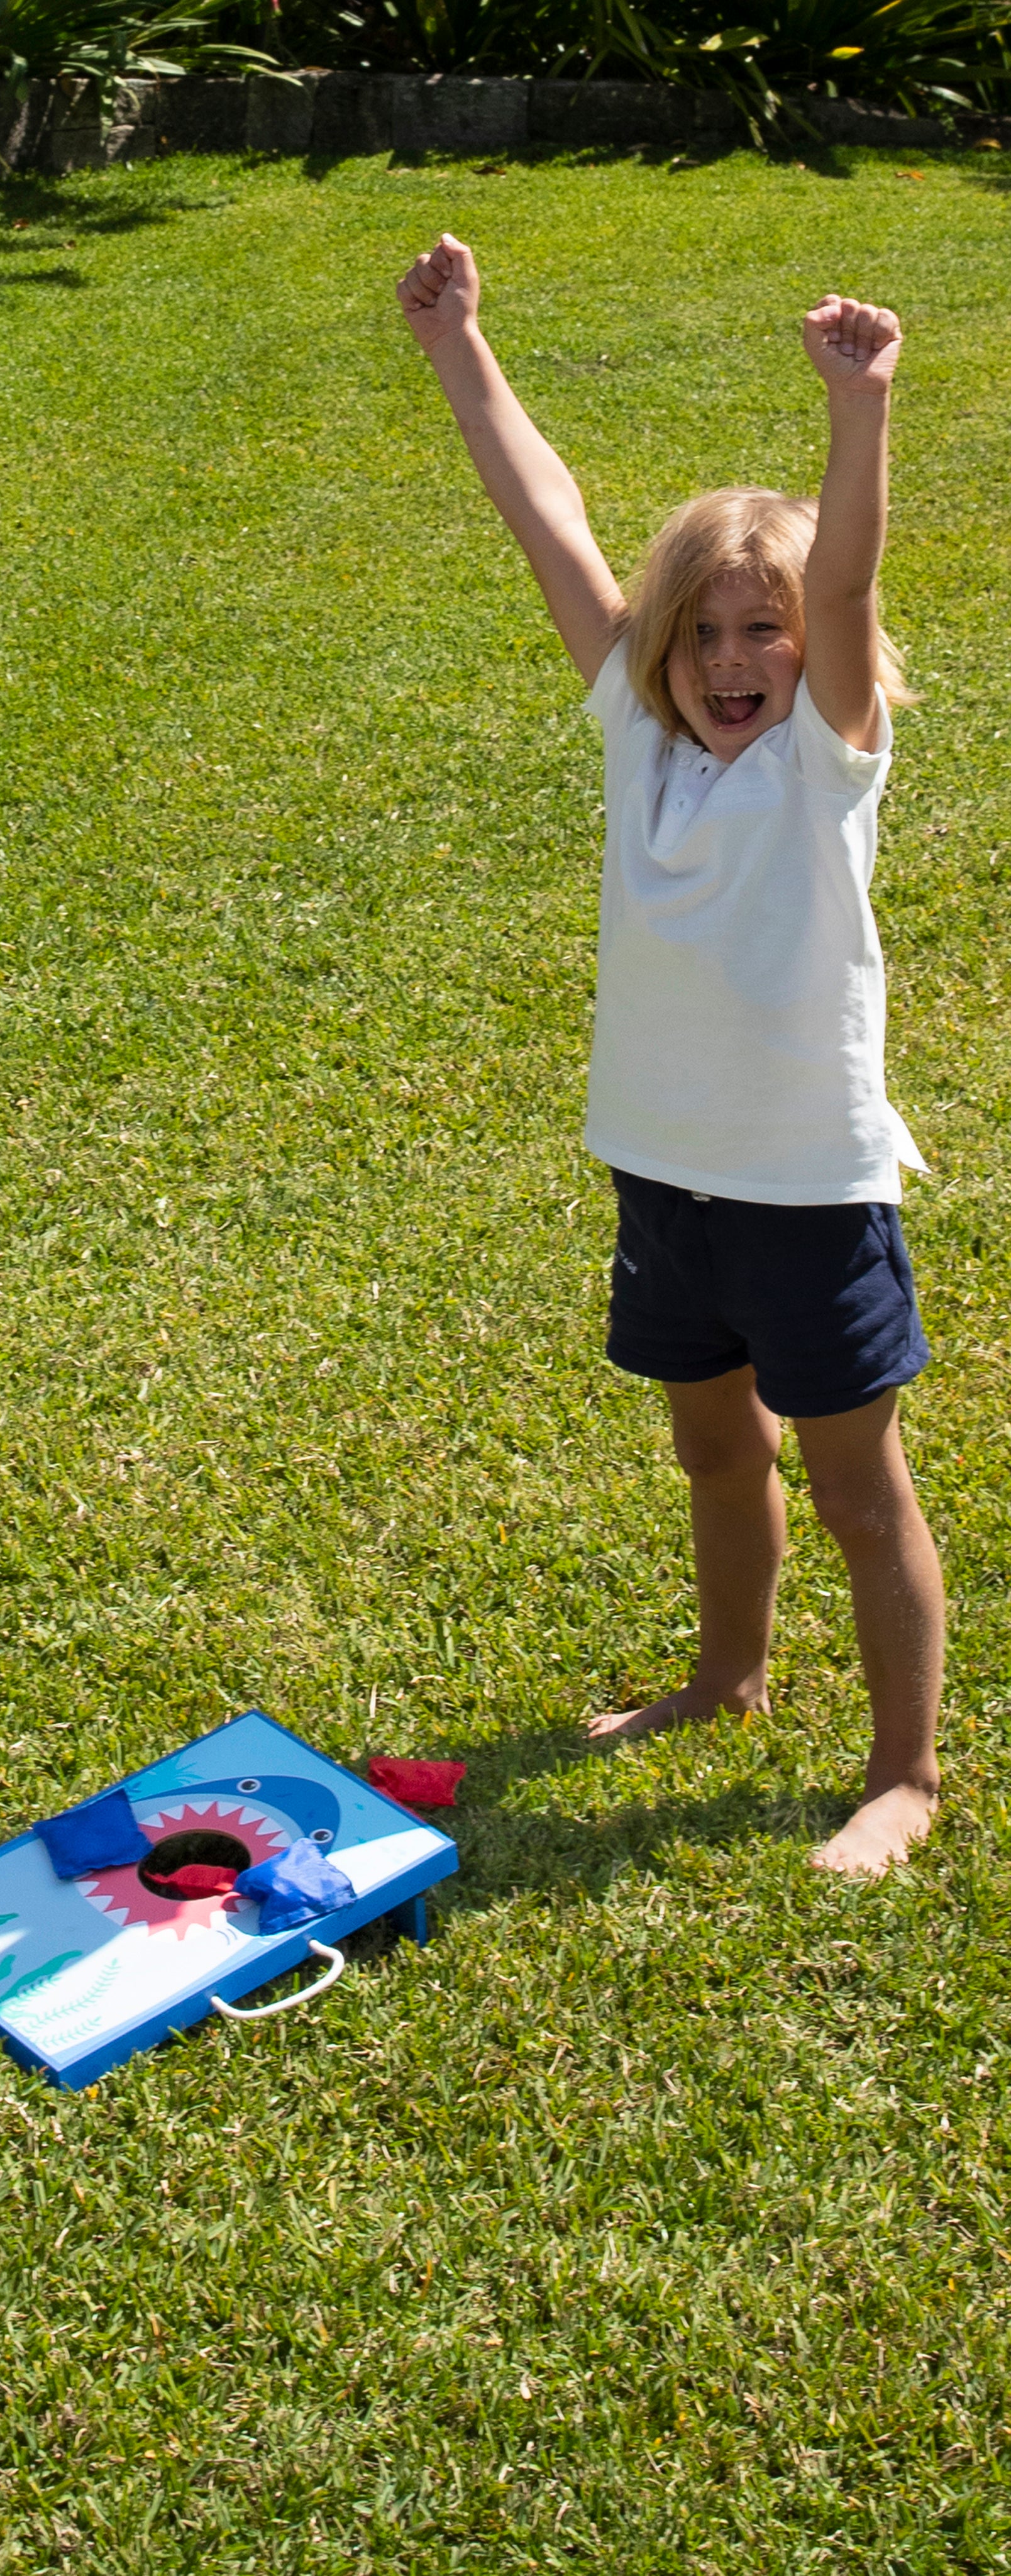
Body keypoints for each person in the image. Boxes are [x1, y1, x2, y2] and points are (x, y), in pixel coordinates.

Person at [395, 232, 941, 1881]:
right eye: (703, 633)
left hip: (807, 1190)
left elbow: (841, 583)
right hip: (669, 1173)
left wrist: (860, 411)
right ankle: (727, 1676)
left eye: (758, 636)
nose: (728, 662)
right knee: (714, 1447)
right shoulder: (643, 739)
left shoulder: (822, 766)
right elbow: (548, 520)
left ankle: (902, 1773)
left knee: (856, 1484)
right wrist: (462, 352)